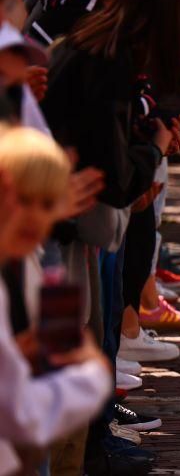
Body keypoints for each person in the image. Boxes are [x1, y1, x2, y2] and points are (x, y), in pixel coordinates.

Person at [0, 127, 113, 476]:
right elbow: (25, 415)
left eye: (48, 204)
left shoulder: (22, 264)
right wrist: (93, 373)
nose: (35, 216)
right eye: (23, 199)